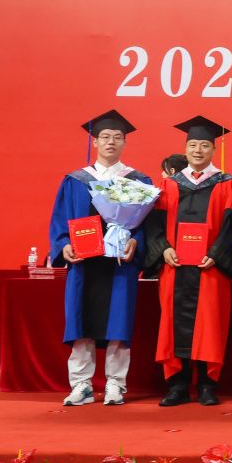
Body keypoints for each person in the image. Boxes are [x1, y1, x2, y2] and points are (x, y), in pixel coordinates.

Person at [48, 109, 152, 408]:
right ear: (94, 142)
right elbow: (60, 220)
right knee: (80, 321)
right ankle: (81, 384)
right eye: (105, 137)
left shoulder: (136, 180)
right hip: (84, 263)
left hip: (119, 264)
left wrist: (136, 242)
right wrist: (63, 245)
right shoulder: (75, 180)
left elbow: (147, 224)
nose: (111, 142)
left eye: (117, 138)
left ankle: (115, 384)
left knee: (118, 322)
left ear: (124, 143)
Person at [144, 115, 232, 408]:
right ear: (185, 149)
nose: (198, 150)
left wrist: (215, 253)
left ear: (214, 149)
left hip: (210, 267)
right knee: (173, 323)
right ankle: (177, 386)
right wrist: (163, 249)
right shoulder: (169, 185)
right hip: (175, 267)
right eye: (193, 145)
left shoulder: (228, 184)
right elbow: (154, 224)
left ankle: (206, 385)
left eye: (204, 145)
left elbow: (231, 226)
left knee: (209, 324)